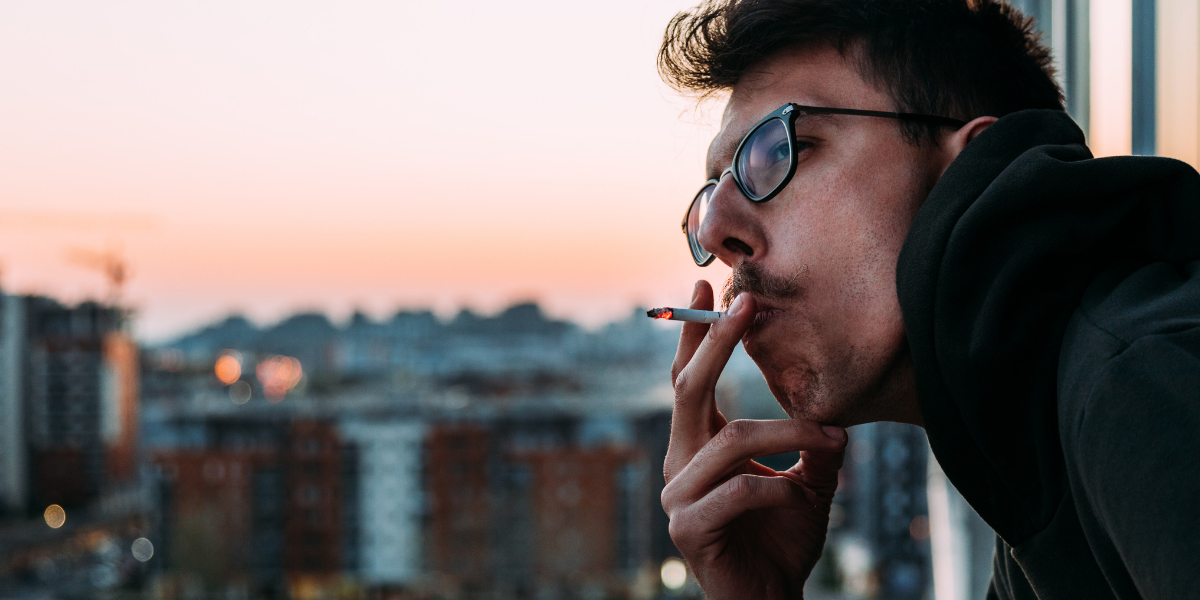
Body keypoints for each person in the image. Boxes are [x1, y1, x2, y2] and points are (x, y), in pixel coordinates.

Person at [655, 0, 1200, 598]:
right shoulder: (1029, 474)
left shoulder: (1144, 381)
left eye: (778, 150)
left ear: (970, 163)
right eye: (709, 198)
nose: (714, 234)